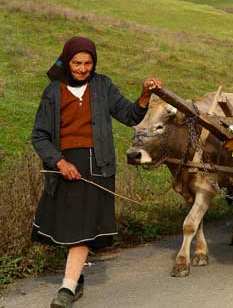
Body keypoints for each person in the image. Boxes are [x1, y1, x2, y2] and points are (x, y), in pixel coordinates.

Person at [31, 36, 162, 308]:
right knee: (71, 227)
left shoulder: (102, 86)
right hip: (65, 166)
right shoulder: (53, 92)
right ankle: (75, 280)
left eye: (87, 63)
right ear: (67, 62)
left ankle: (67, 289)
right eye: (77, 63)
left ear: (94, 62)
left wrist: (145, 94)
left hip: (98, 165)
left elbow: (130, 116)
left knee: (82, 227)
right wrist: (59, 162)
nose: (82, 68)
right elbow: (39, 136)